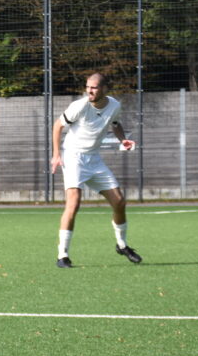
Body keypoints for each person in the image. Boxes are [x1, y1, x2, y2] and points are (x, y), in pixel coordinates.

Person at [49, 73, 142, 268]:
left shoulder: (114, 105)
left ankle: (122, 245)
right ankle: (62, 255)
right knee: (73, 203)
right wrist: (56, 154)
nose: (89, 91)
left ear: (105, 89)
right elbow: (57, 126)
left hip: (94, 159)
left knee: (119, 201)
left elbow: (115, 123)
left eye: (94, 87)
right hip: (73, 157)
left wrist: (123, 140)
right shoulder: (79, 106)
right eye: (88, 87)